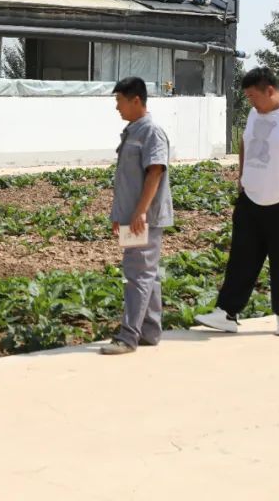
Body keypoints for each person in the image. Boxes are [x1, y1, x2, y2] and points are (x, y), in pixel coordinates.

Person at [195, 67, 279, 337]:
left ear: (270, 90)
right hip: (250, 199)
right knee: (240, 258)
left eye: (252, 95)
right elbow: (246, 142)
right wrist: (242, 176)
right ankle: (226, 313)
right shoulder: (255, 113)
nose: (250, 102)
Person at [100, 76, 174, 355]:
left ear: (136, 100)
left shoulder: (151, 132)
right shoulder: (133, 131)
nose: (117, 107)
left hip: (144, 218)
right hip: (133, 216)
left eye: (119, 101)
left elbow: (155, 171)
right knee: (147, 275)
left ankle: (128, 337)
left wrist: (140, 212)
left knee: (137, 275)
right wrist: (120, 215)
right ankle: (150, 331)